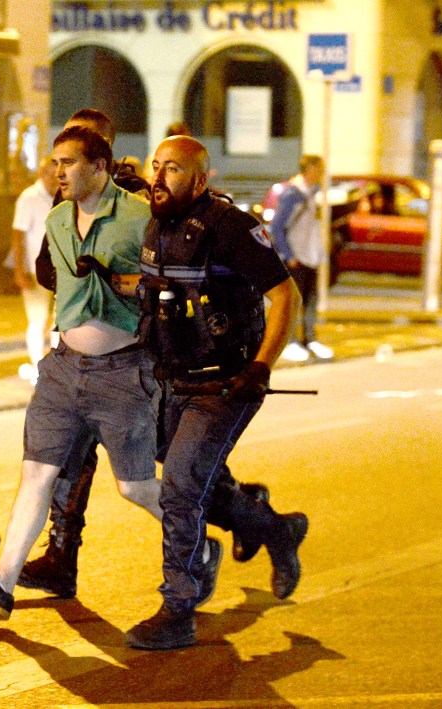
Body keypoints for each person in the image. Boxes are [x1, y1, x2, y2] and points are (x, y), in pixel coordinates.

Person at [0, 125, 215, 620]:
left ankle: (201, 545)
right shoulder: (59, 219)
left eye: (68, 162)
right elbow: (53, 277)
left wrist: (129, 288)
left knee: (133, 487)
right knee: (37, 475)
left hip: (123, 373)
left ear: (100, 167)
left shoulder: (139, 219)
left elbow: (173, 284)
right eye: (54, 162)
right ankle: (2, 584)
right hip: (63, 369)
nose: (57, 171)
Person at [20, 110, 271, 601]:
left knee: (170, 469)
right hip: (82, 356)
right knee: (68, 458)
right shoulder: (69, 201)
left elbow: (175, 273)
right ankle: (61, 557)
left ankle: (251, 517)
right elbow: (48, 270)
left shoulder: (143, 203)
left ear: (106, 155)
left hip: (141, 358)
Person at [124, 135, 309, 650]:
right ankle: (272, 527)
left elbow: (284, 294)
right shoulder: (159, 224)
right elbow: (156, 287)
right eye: (155, 167)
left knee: (181, 486)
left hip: (223, 382)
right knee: (188, 474)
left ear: (200, 179)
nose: (158, 179)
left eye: (173, 171)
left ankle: (178, 608)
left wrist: (261, 367)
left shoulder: (232, 228)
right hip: (171, 379)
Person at [270, 154, 334, 362]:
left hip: (311, 256)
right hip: (296, 257)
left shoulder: (314, 193)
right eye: (319, 169)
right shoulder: (293, 195)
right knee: (294, 302)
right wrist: (289, 255)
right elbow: (278, 227)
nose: (322, 174)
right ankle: (291, 342)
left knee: (310, 300)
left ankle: (309, 339)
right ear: (309, 170)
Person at [8, 155, 58, 384]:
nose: (53, 179)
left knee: (60, 321)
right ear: (41, 174)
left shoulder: (63, 197)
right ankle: (38, 368)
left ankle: (57, 368)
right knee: (37, 320)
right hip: (35, 269)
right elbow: (18, 236)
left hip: (60, 270)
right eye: (49, 174)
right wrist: (20, 269)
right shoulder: (28, 198)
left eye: (56, 174)